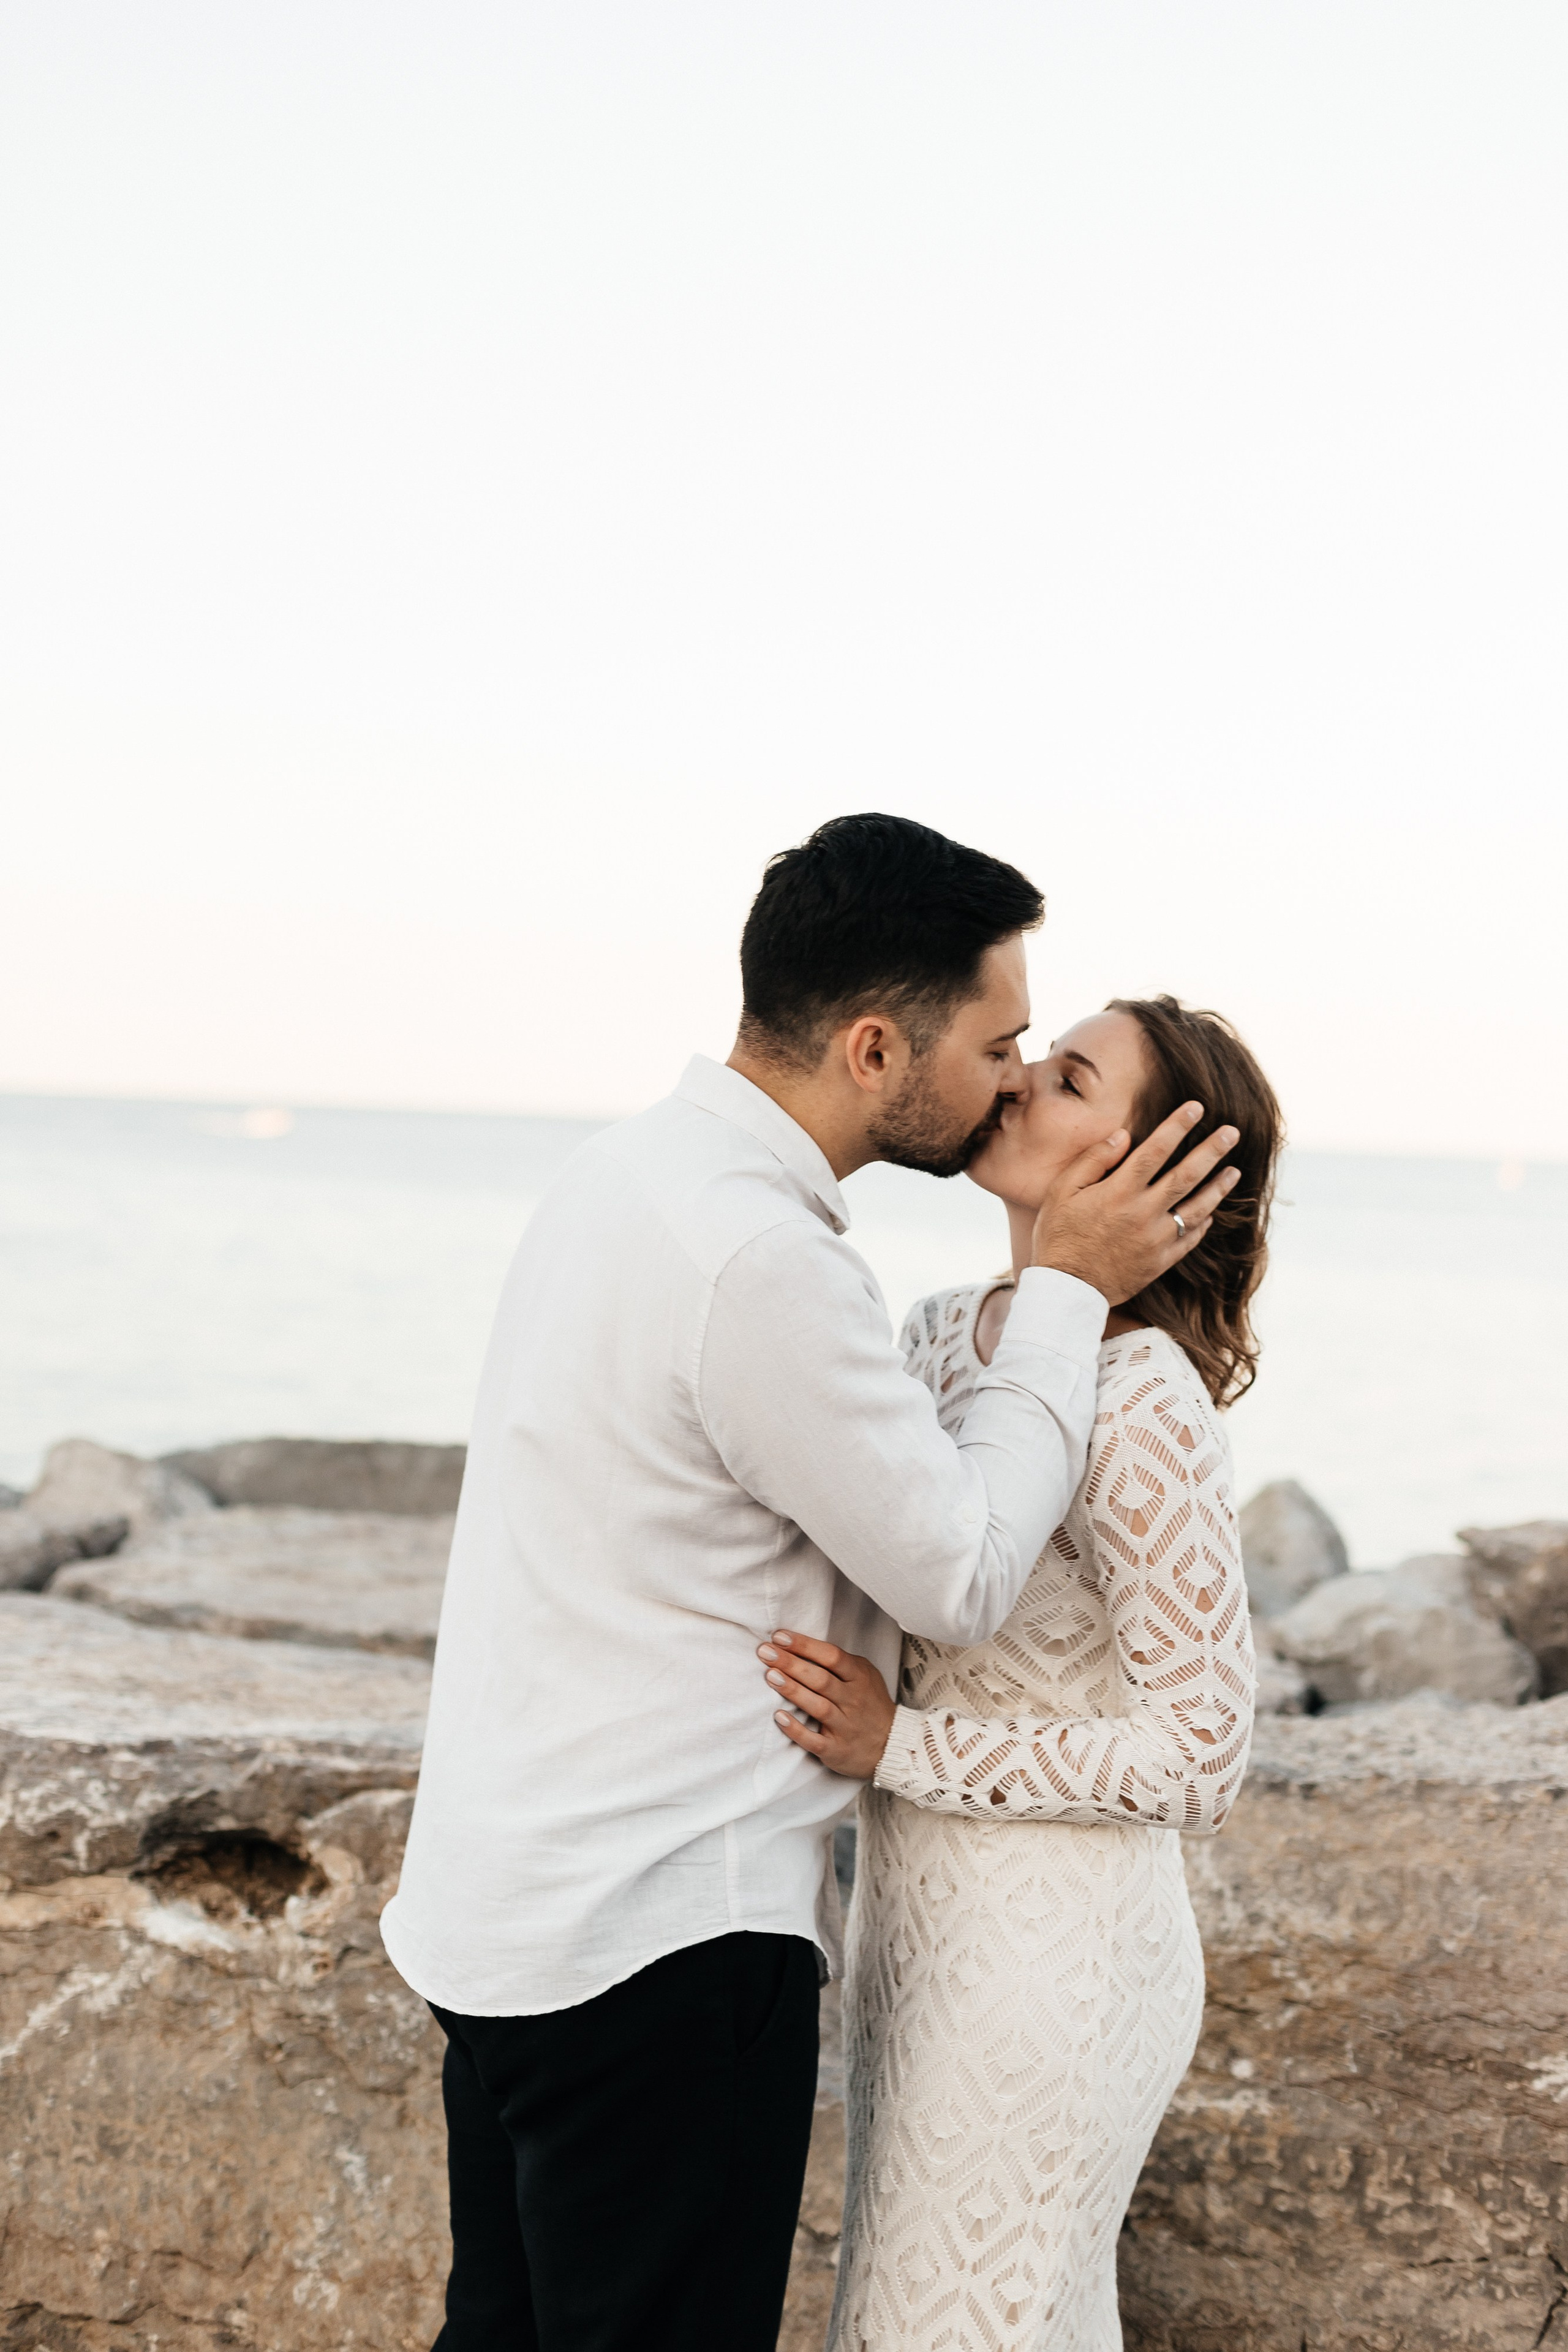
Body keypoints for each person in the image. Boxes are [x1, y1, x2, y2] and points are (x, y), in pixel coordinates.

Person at [380, 816, 1240, 2352]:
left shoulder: (624, 1174)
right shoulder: (770, 1264)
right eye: (1000, 1043)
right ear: (868, 1047)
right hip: (651, 1942)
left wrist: (1063, 1302)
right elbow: (963, 1571)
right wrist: (1063, 1290)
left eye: (1050, 1062)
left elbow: (1171, 1713)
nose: (1010, 1077)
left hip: (516, 1909)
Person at [758, 995, 1281, 2352]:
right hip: (911, 1936)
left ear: (1155, 1163)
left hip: (1061, 1963)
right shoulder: (935, 1333)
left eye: (1066, 1081)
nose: (1014, 1086)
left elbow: (1202, 1753)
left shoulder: (1143, 1392)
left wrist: (902, 1752)